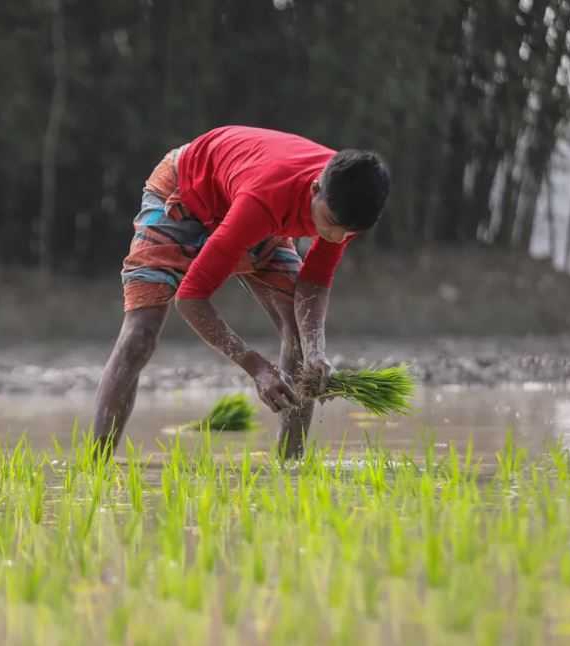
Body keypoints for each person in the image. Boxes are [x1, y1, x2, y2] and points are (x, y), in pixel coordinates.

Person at [92, 125, 389, 458]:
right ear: (316, 188)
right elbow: (190, 299)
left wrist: (316, 351)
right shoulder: (265, 199)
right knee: (140, 334)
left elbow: (314, 282)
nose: (336, 237)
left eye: (349, 232)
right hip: (187, 194)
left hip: (251, 210)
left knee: (298, 334)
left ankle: (291, 466)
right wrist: (257, 367)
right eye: (331, 222)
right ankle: (96, 465)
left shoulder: (346, 209)